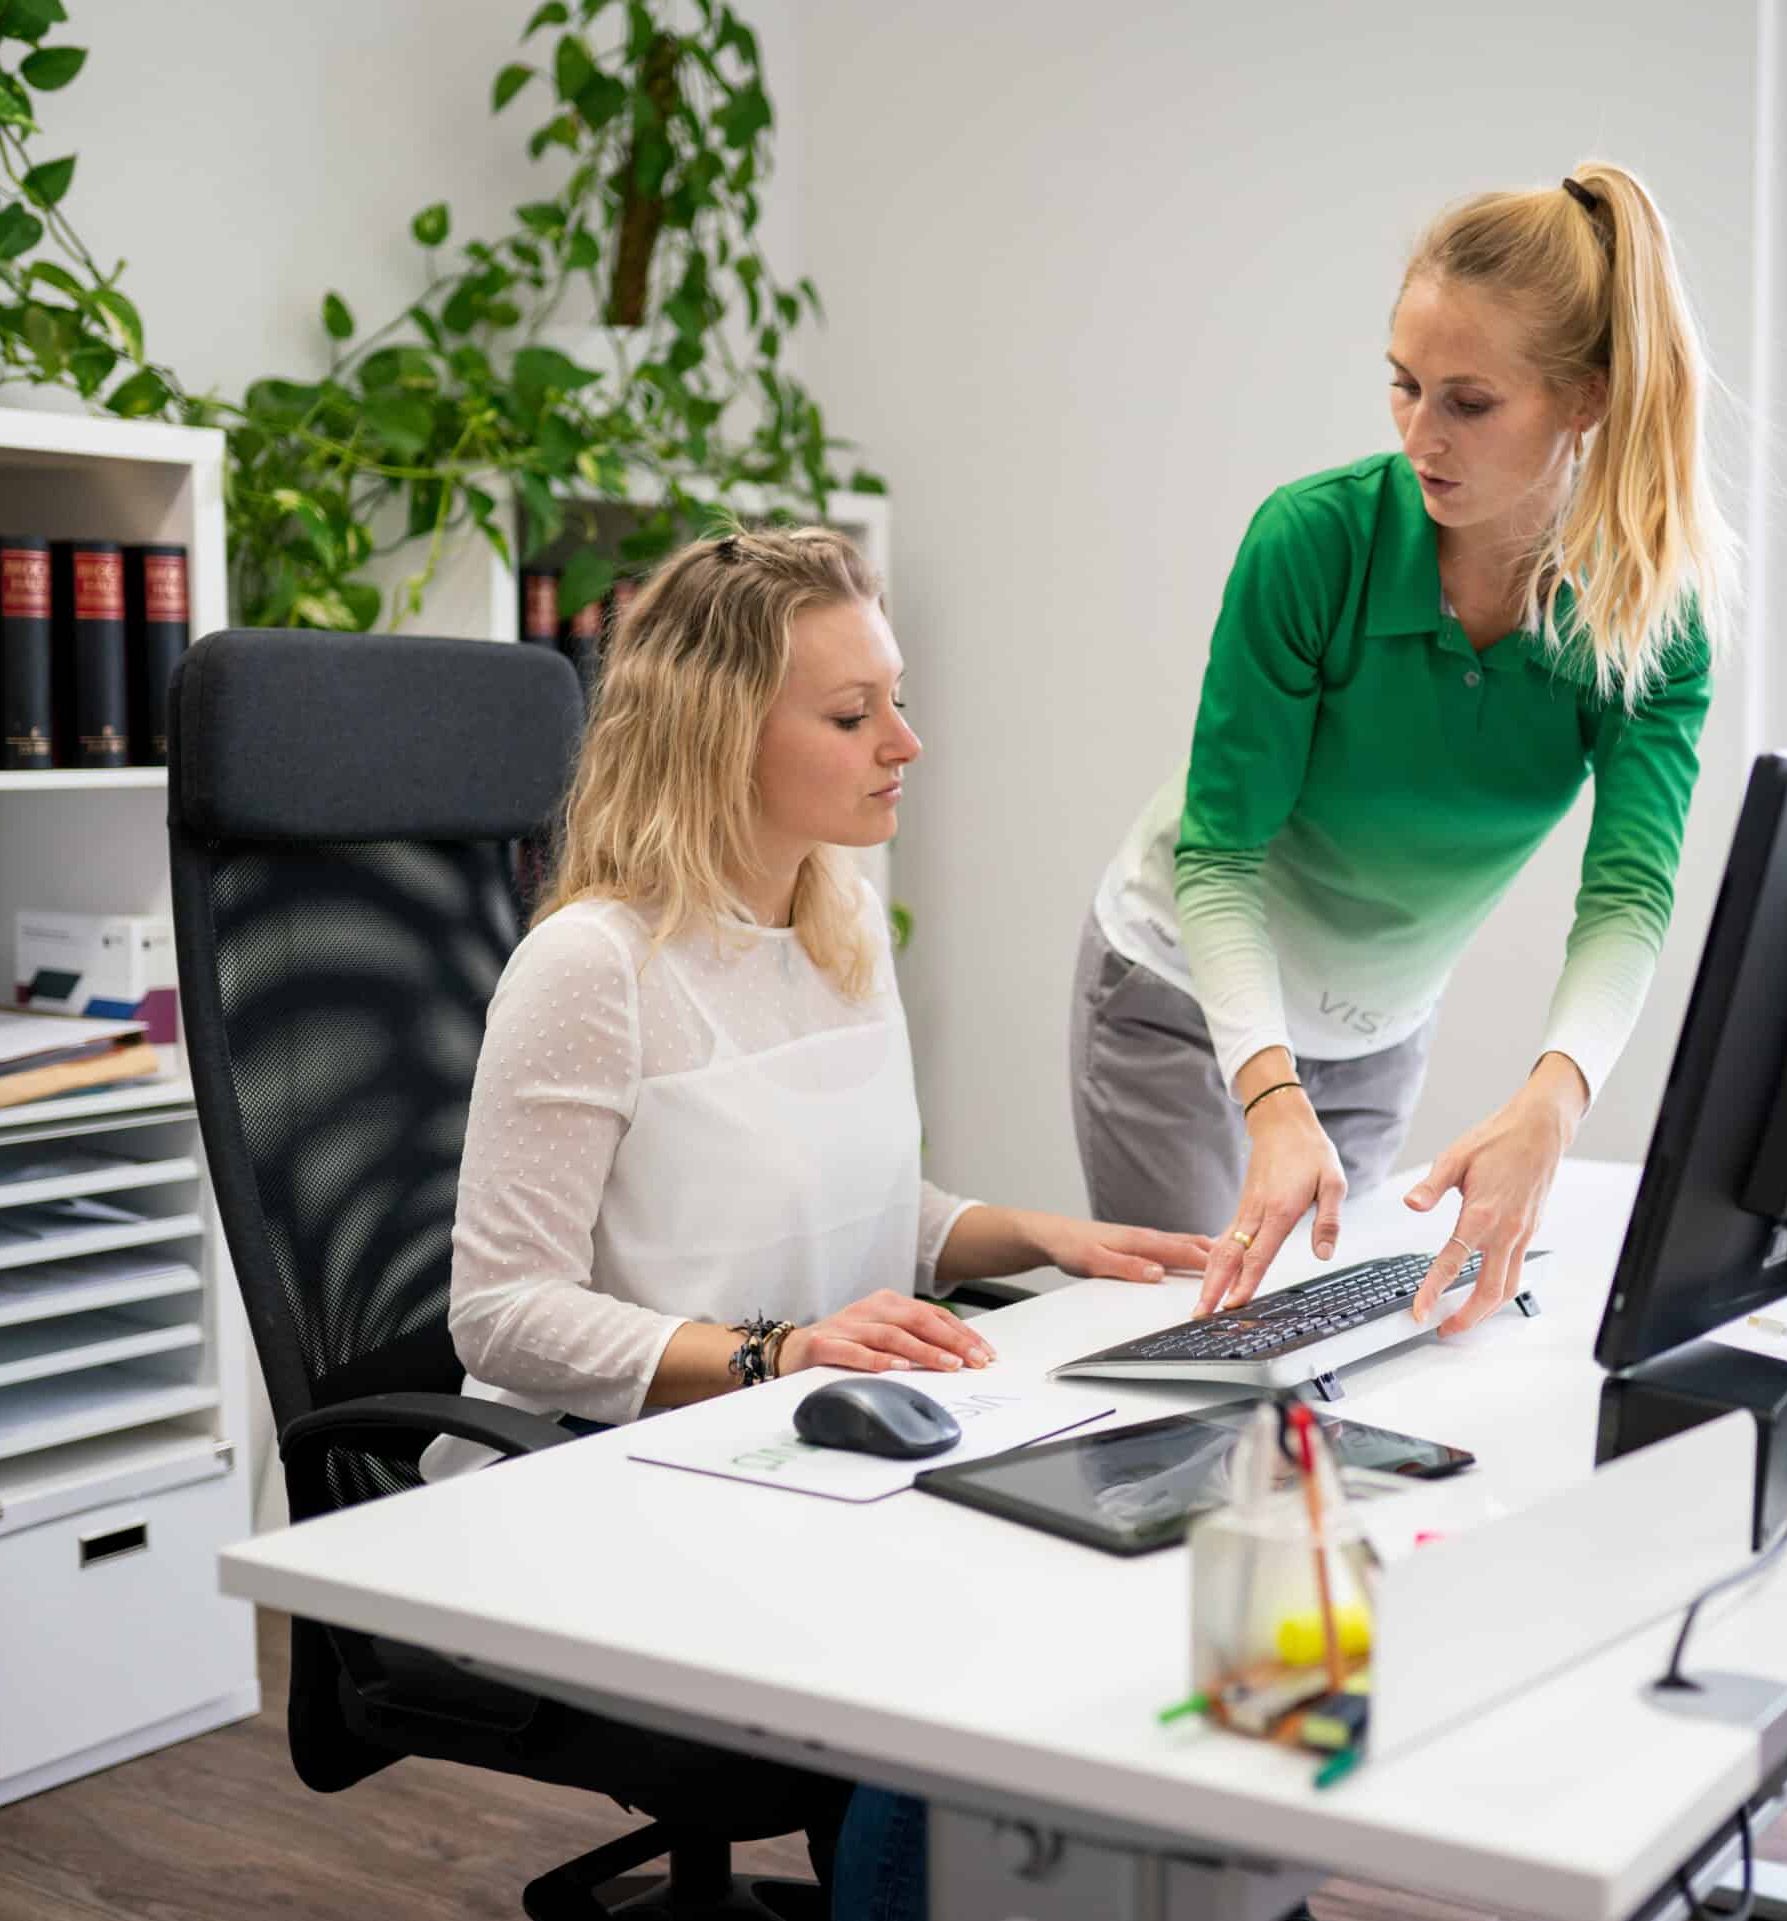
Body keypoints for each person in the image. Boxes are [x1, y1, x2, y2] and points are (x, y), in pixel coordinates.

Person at [433, 525, 1210, 1913]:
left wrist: (1042, 1233)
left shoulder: (833, 921)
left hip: (798, 1453)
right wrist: (772, 1352)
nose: (904, 742)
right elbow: (500, 1312)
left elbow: (835, 1202)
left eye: (893, 701)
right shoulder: (592, 967)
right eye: (854, 716)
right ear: (720, 733)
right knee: (971, 1651)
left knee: (1109, 1560)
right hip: (616, 1481)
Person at [1076, 159, 1729, 1336]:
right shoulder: (1312, 543)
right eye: (1404, 386)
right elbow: (1219, 856)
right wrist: (1270, 1095)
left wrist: (1554, 1098)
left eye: (1468, 403)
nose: (1421, 437)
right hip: (1185, 993)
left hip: (1378, 1036)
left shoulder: (1648, 620)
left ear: (1583, 398)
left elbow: (1630, 894)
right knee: (1196, 1357)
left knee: (1333, 1361)